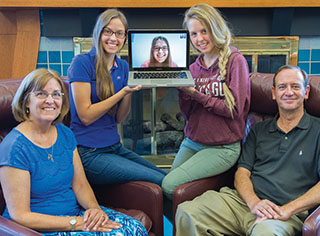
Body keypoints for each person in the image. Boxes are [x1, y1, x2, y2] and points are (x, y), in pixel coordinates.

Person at [0, 68, 148, 236]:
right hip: (39, 228)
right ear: (26, 101)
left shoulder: (65, 133)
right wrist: (75, 223)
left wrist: (95, 210)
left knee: (135, 228)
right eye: (41, 94)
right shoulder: (14, 147)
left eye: (56, 94)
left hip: (75, 215)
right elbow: (20, 215)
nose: (50, 100)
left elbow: (80, 184)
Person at [175, 65, 320, 236]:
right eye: (282, 87)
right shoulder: (258, 130)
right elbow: (242, 173)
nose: (288, 92)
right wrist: (254, 203)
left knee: (265, 233)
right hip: (243, 203)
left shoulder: (317, 131)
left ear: (306, 91)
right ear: (274, 93)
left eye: (295, 86)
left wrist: (286, 210)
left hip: (285, 212)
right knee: (188, 212)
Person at [67, 9, 166, 186]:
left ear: (125, 38)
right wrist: (122, 92)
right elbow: (86, 116)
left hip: (115, 147)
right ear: (99, 33)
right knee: (158, 180)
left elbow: (119, 117)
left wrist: (130, 90)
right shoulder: (81, 63)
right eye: (108, 31)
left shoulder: (122, 66)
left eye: (119, 34)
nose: (113, 38)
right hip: (88, 152)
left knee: (166, 178)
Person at [161, 3, 250, 198]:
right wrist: (182, 92)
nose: (199, 38)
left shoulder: (236, 61)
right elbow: (188, 114)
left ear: (215, 29)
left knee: (169, 186)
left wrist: (195, 93)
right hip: (192, 142)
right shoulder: (193, 68)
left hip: (223, 147)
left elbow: (233, 110)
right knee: (162, 189)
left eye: (204, 31)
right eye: (193, 34)